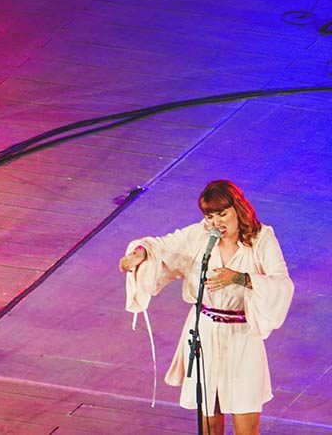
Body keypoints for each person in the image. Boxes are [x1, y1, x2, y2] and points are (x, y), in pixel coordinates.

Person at [119, 180, 294, 434]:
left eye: (222, 214)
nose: (216, 223)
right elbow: (163, 246)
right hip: (205, 333)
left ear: (238, 209)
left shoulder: (261, 238)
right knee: (209, 418)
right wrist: (141, 253)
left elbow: (282, 283)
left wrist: (240, 278)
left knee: (247, 420)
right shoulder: (201, 235)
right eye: (210, 216)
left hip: (242, 335)